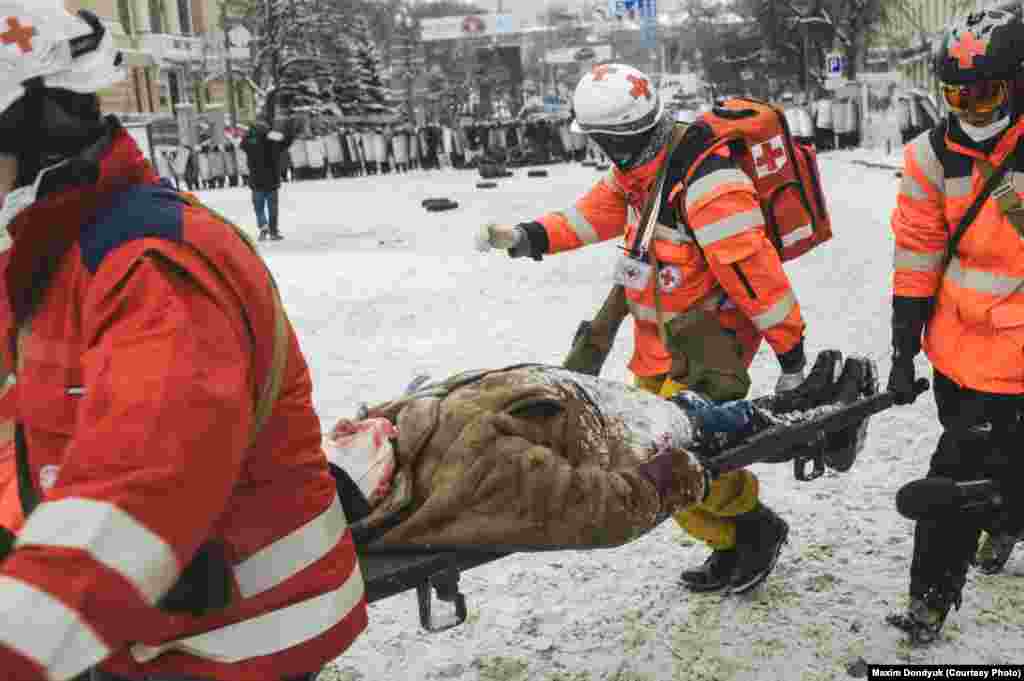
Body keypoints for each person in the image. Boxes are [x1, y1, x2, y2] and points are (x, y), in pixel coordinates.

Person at [0, 5, 366, 679]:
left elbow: (139, 486)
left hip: (234, 636)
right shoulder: (41, 253)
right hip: (137, 620)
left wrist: (17, 632)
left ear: (30, 136)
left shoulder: (153, 266)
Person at [476, 64, 811, 595]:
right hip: (657, 350)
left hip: (707, 353)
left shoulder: (708, 184)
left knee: (671, 464)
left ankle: (754, 530)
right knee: (648, 462)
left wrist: (792, 356)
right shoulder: (639, 173)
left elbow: (756, 278)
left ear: (619, 136)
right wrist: (528, 236)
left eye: (606, 142)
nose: (604, 153)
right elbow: (588, 217)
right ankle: (738, 539)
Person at [886, 8, 1024, 645]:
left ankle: (991, 537)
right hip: (964, 353)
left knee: (983, 474)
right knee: (968, 474)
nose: (970, 108)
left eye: (985, 93)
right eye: (956, 95)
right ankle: (947, 578)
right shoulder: (930, 158)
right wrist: (902, 346)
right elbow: (916, 252)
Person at [241, 118, 294, 241]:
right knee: (273, 208)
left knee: (258, 207)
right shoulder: (273, 142)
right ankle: (274, 231)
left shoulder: (251, 142)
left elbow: (242, 144)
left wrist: (250, 132)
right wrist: (274, 132)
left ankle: (263, 227)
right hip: (272, 181)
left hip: (256, 181)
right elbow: (287, 140)